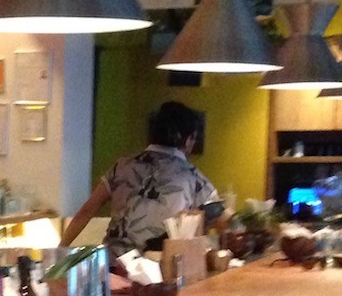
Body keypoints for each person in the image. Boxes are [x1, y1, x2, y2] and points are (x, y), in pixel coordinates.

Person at [59, 100, 224, 257]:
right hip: (158, 266)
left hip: (113, 263)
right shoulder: (193, 178)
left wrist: (61, 249)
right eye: (193, 138)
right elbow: (222, 218)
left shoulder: (122, 167)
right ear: (187, 139)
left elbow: (86, 211)